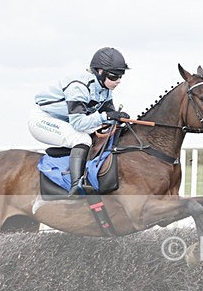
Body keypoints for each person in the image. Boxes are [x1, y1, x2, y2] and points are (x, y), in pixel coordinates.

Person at [29, 47, 131, 195]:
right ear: (100, 72)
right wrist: (107, 117)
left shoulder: (104, 88)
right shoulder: (79, 86)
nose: (118, 81)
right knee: (81, 138)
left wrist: (118, 119)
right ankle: (76, 185)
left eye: (121, 76)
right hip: (43, 119)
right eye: (114, 76)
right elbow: (79, 123)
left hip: (66, 120)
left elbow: (108, 114)